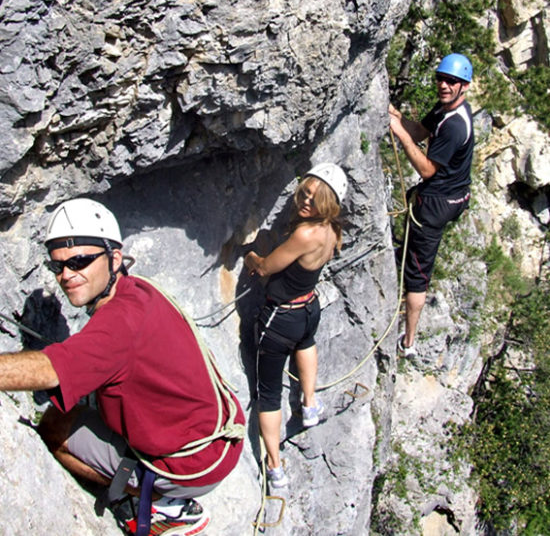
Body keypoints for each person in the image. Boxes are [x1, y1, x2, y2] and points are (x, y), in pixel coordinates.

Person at [0, 198, 245, 536]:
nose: (67, 275)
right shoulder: (138, 290)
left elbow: (51, 370)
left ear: (114, 258)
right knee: (82, 401)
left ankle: (165, 505)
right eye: (58, 266)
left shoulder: (118, 325)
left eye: (80, 261)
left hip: (188, 468)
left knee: (53, 428)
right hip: (216, 439)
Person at [244, 163, 347, 489]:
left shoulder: (305, 234)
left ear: (328, 203)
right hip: (307, 309)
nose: (306, 201)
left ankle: (275, 466)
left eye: (315, 198)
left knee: (269, 394)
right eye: (304, 192)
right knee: (306, 343)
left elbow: (265, 268)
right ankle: (310, 403)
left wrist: (249, 256)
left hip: (280, 318)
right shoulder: (332, 229)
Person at [389, 53, 474, 354]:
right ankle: (405, 257)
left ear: (464, 86)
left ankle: (408, 341)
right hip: (453, 193)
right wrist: (395, 116)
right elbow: (420, 131)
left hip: (437, 203)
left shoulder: (454, 126)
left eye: (451, 81)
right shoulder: (445, 109)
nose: (444, 85)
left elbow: (426, 169)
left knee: (418, 274)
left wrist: (400, 135)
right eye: (441, 78)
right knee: (414, 256)